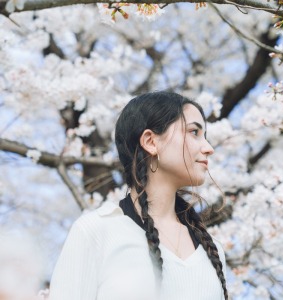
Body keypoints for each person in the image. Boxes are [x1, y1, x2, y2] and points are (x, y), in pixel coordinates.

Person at [49, 91, 228, 300]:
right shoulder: (96, 231)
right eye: (194, 132)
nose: (209, 148)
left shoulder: (212, 250)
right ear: (151, 141)